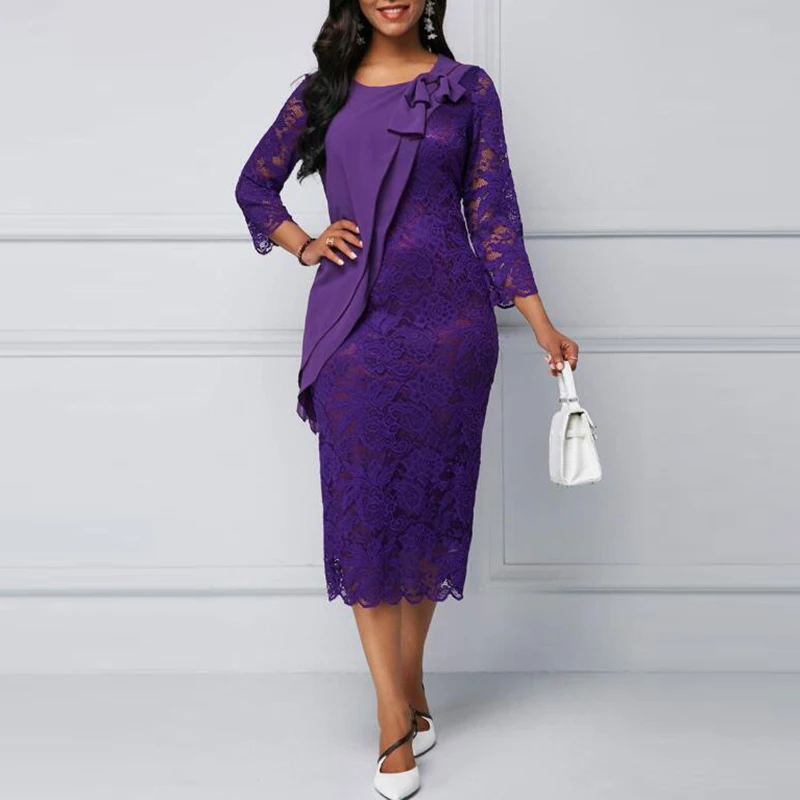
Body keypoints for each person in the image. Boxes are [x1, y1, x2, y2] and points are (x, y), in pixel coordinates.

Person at [234, 1, 579, 797]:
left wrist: (543, 323)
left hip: (451, 329)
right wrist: (304, 243)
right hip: (355, 329)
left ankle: (410, 681)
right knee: (365, 512)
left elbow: (493, 215)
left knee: (428, 507)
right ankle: (391, 712)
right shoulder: (322, 90)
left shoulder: (468, 89)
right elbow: (255, 186)